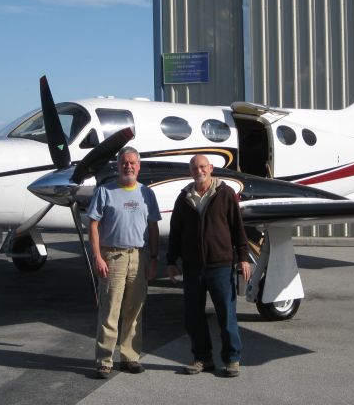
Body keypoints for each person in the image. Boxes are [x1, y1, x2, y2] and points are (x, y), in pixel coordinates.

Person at [166, 154, 250, 377]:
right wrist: (171, 261)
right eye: (194, 168)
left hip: (220, 265)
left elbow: (237, 227)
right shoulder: (184, 197)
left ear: (211, 168)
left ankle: (232, 359)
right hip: (193, 267)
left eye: (202, 166)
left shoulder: (225, 194)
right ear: (190, 171)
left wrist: (243, 256)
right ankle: (202, 358)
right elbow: (176, 231)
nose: (199, 171)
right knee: (193, 315)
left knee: (226, 314)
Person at [87, 146, 161, 379]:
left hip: (138, 257)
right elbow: (93, 225)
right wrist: (98, 257)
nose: (128, 166)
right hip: (113, 258)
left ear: (139, 166)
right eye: (124, 163)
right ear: (118, 166)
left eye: (132, 163)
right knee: (110, 311)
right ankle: (104, 360)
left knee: (134, 311)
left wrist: (154, 258)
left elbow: (153, 226)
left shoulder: (146, 193)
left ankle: (130, 357)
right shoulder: (105, 191)